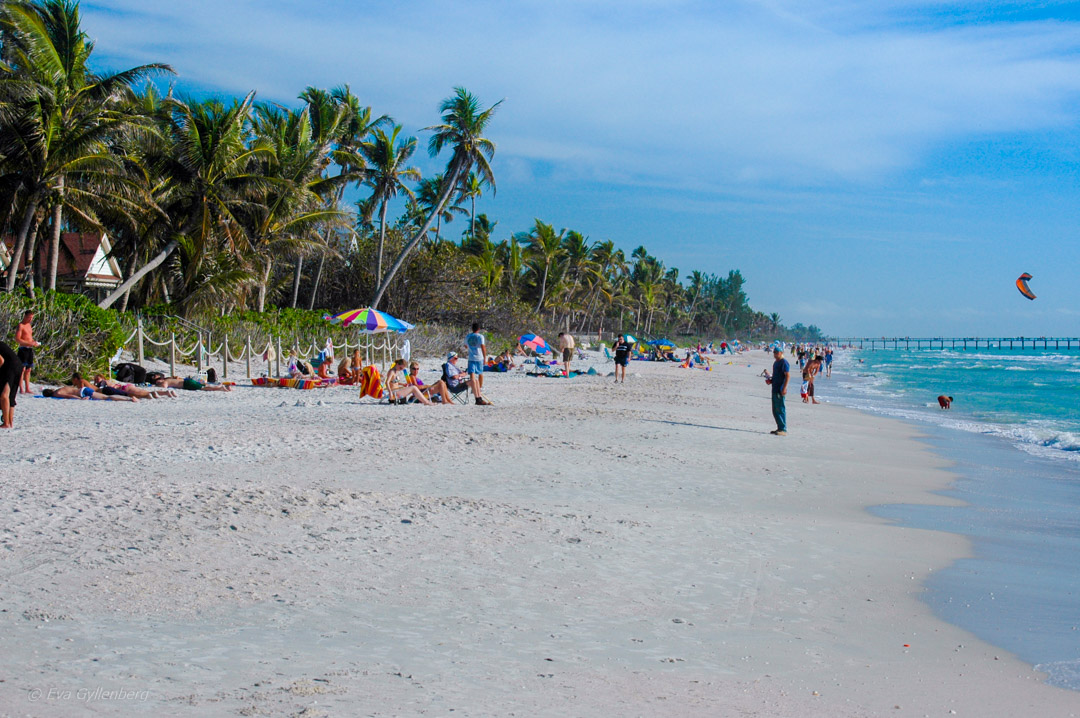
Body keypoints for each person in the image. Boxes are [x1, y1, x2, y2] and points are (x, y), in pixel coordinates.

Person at [464, 323, 492, 405]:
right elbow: (483, 346)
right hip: (479, 357)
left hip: (471, 357)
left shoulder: (468, 336)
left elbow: (465, 346)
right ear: (478, 329)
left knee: (472, 374)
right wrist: (485, 357)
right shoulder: (480, 336)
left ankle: (474, 388)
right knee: (480, 373)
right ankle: (479, 388)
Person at [92, 373, 175, 399]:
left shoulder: (105, 382)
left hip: (124, 388)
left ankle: (150, 395)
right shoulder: (108, 381)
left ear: (102, 378)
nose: (97, 380)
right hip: (126, 386)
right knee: (144, 392)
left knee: (139, 394)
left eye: (97, 378)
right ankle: (165, 393)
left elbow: (105, 387)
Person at [15, 310, 40, 394]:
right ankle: (21, 388)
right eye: (29, 317)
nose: (30, 319)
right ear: (25, 316)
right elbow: (17, 339)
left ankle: (27, 388)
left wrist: (34, 342)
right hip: (23, 349)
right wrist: (30, 343)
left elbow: (29, 337)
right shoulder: (20, 325)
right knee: (22, 369)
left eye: (32, 318)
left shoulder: (29, 325)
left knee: (28, 369)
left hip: (29, 349)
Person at [0, 340, 23, 428]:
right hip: (18, 365)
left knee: (4, 396)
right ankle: (9, 422)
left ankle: (6, 423)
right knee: (11, 396)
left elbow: (1, 361)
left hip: (10, 366)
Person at [770, 347, 790, 436]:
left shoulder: (784, 362)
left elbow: (787, 376)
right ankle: (779, 427)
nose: (775, 354)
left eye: (777, 352)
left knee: (780, 409)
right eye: (774, 352)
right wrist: (770, 380)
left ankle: (783, 429)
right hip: (774, 387)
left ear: (781, 352)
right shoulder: (776, 363)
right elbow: (776, 376)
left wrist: (784, 388)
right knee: (775, 410)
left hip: (780, 389)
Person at [42, 384, 137, 401]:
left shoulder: (56, 394)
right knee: (105, 396)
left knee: (106, 398)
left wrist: (80, 399)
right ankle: (128, 399)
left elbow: (69, 396)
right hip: (83, 389)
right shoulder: (60, 388)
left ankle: (129, 400)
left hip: (83, 393)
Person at [153, 376, 232, 392]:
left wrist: (157, 386)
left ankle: (220, 387)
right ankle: (223, 387)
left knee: (203, 388)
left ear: (161, 379)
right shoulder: (169, 379)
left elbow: (164, 387)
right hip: (188, 381)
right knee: (205, 386)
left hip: (187, 383)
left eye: (158, 381)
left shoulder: (166, 381)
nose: (158, 382)